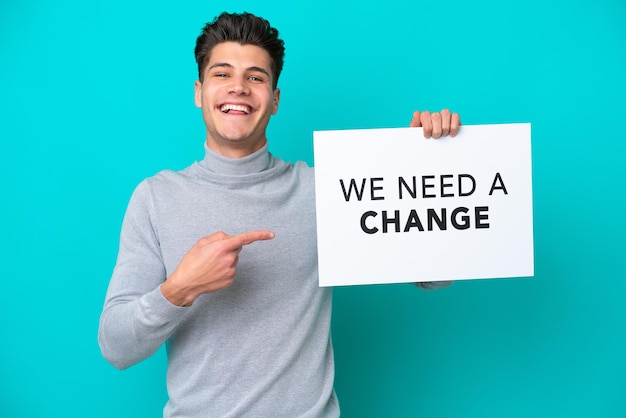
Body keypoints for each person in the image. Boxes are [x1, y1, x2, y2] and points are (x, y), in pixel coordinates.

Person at [98, 11, 460, 418]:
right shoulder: (155, 198)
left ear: (274, 99)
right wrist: (180, 288)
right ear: (199, 91)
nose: (238, 87)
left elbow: (434, 276)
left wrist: (429, 167)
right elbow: (116, 346)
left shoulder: (324, 190)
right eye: (222, 74)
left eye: (256, 77)